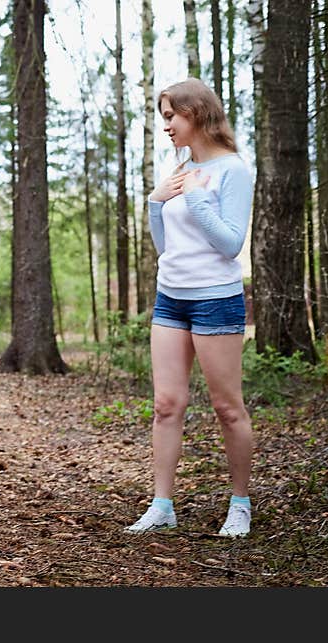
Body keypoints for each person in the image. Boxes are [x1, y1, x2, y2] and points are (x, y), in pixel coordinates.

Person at [125, 78, 255, 538]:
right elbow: (167, 247)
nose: (166, 127)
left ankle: (240, 504)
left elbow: (230, 244)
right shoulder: (180, 164)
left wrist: (196, 198)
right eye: (163, 118)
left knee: (227, 407)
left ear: (195, 113)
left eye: (170, 117)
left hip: (216, 299)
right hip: (171, 297)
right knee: (166, 404)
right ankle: (162, 505)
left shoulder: (232, 171)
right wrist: (156, 204)